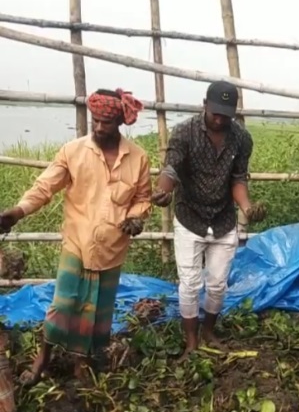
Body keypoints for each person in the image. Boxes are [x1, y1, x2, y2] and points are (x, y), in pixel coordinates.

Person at [0, 88, 151, 385]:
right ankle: (42, 359)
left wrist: (136, 217)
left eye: (105, 122)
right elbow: (45, 187)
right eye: (95, 120)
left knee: (98, 312)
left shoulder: (138, 158)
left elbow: (143, 198)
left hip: (111, 249)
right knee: (64, 304)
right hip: (77, 243)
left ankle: (82, 365)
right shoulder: (73, 151)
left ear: (119, 122)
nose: (98, 127)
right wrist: (16, 213)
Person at [151, 81, 259, 359]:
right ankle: (191, 341)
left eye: (226, 115)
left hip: (223, 219)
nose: (220, 119)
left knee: (218, 283)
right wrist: (163, 190)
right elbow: (172, 168)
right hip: (190, 217)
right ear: (204, 106)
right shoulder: (185, 132)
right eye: (215, 113)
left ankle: (209, 331)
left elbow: (238, 178)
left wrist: (246, 206)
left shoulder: (241, 139)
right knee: (189, 283)